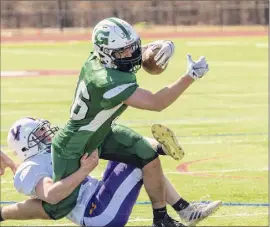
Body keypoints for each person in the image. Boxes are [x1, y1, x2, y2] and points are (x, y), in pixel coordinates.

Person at [9, 17, 209, 227]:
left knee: (145, 155)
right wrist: (190, 76)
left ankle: (166, 217)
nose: (130, 54)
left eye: (132, 48)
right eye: (123, 51)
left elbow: (133, 58)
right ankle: (4, 213)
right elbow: (157, 102)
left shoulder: (97, 59)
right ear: (106, 53)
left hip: (100, 130)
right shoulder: (108, 82)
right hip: (74, 145)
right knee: (58, 206)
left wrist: (157, 48)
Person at [0, 117, 221, 226]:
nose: (47, 135)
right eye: (39, 135)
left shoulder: (48, 154)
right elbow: (52, 195)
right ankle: (171, 214)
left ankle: (182, 206)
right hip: (96, 212)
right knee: (138, 159)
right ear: (25, 146)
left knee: (123, 150)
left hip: (98, 201)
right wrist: (85, 169)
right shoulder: (30, 168)